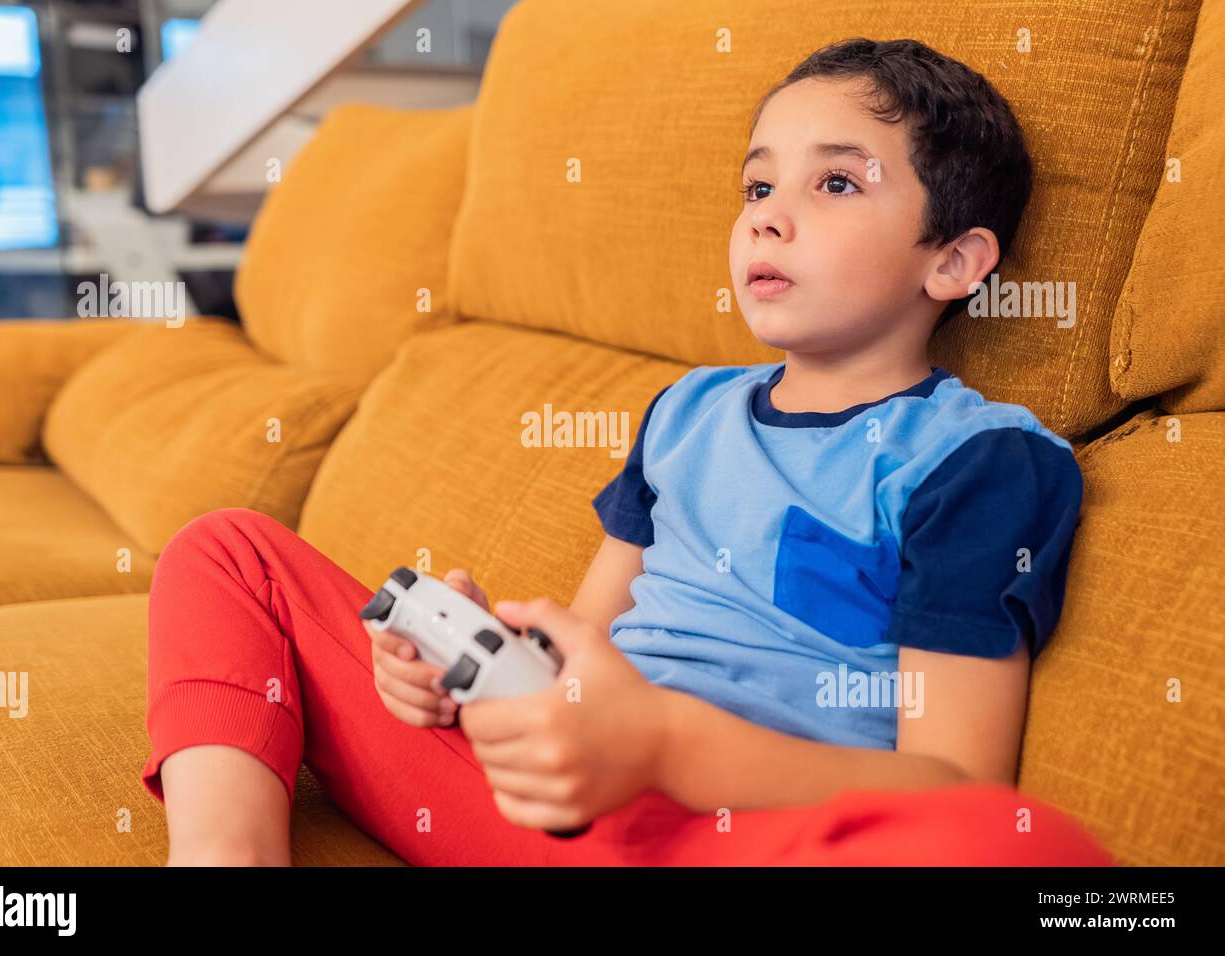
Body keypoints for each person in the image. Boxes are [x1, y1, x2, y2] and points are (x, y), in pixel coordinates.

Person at [141, 37, 1112, 867]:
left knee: (1015, 846)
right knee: (228, 550)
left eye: (836, 181)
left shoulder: (975, 462)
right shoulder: (686, 411)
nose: (767, 214)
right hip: (542, 796)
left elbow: (950, 783)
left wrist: (665, 744)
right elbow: (585, 649)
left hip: (735, 832)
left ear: (953, 259)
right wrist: (476, 668)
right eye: (758, 182)